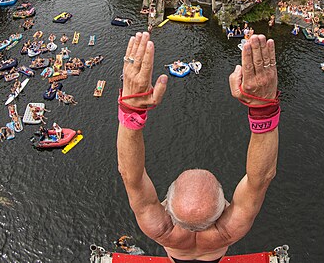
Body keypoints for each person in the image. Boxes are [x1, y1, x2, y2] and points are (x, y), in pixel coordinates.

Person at [117, 32, 279, 262]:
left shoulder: (160, 228)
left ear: (167, 206)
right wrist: (264, 107)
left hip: (177, 254)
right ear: (224, 208)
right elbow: (261, 178)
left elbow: (129, 174)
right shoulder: (228, 230)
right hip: (214, 254)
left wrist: (131, 110)